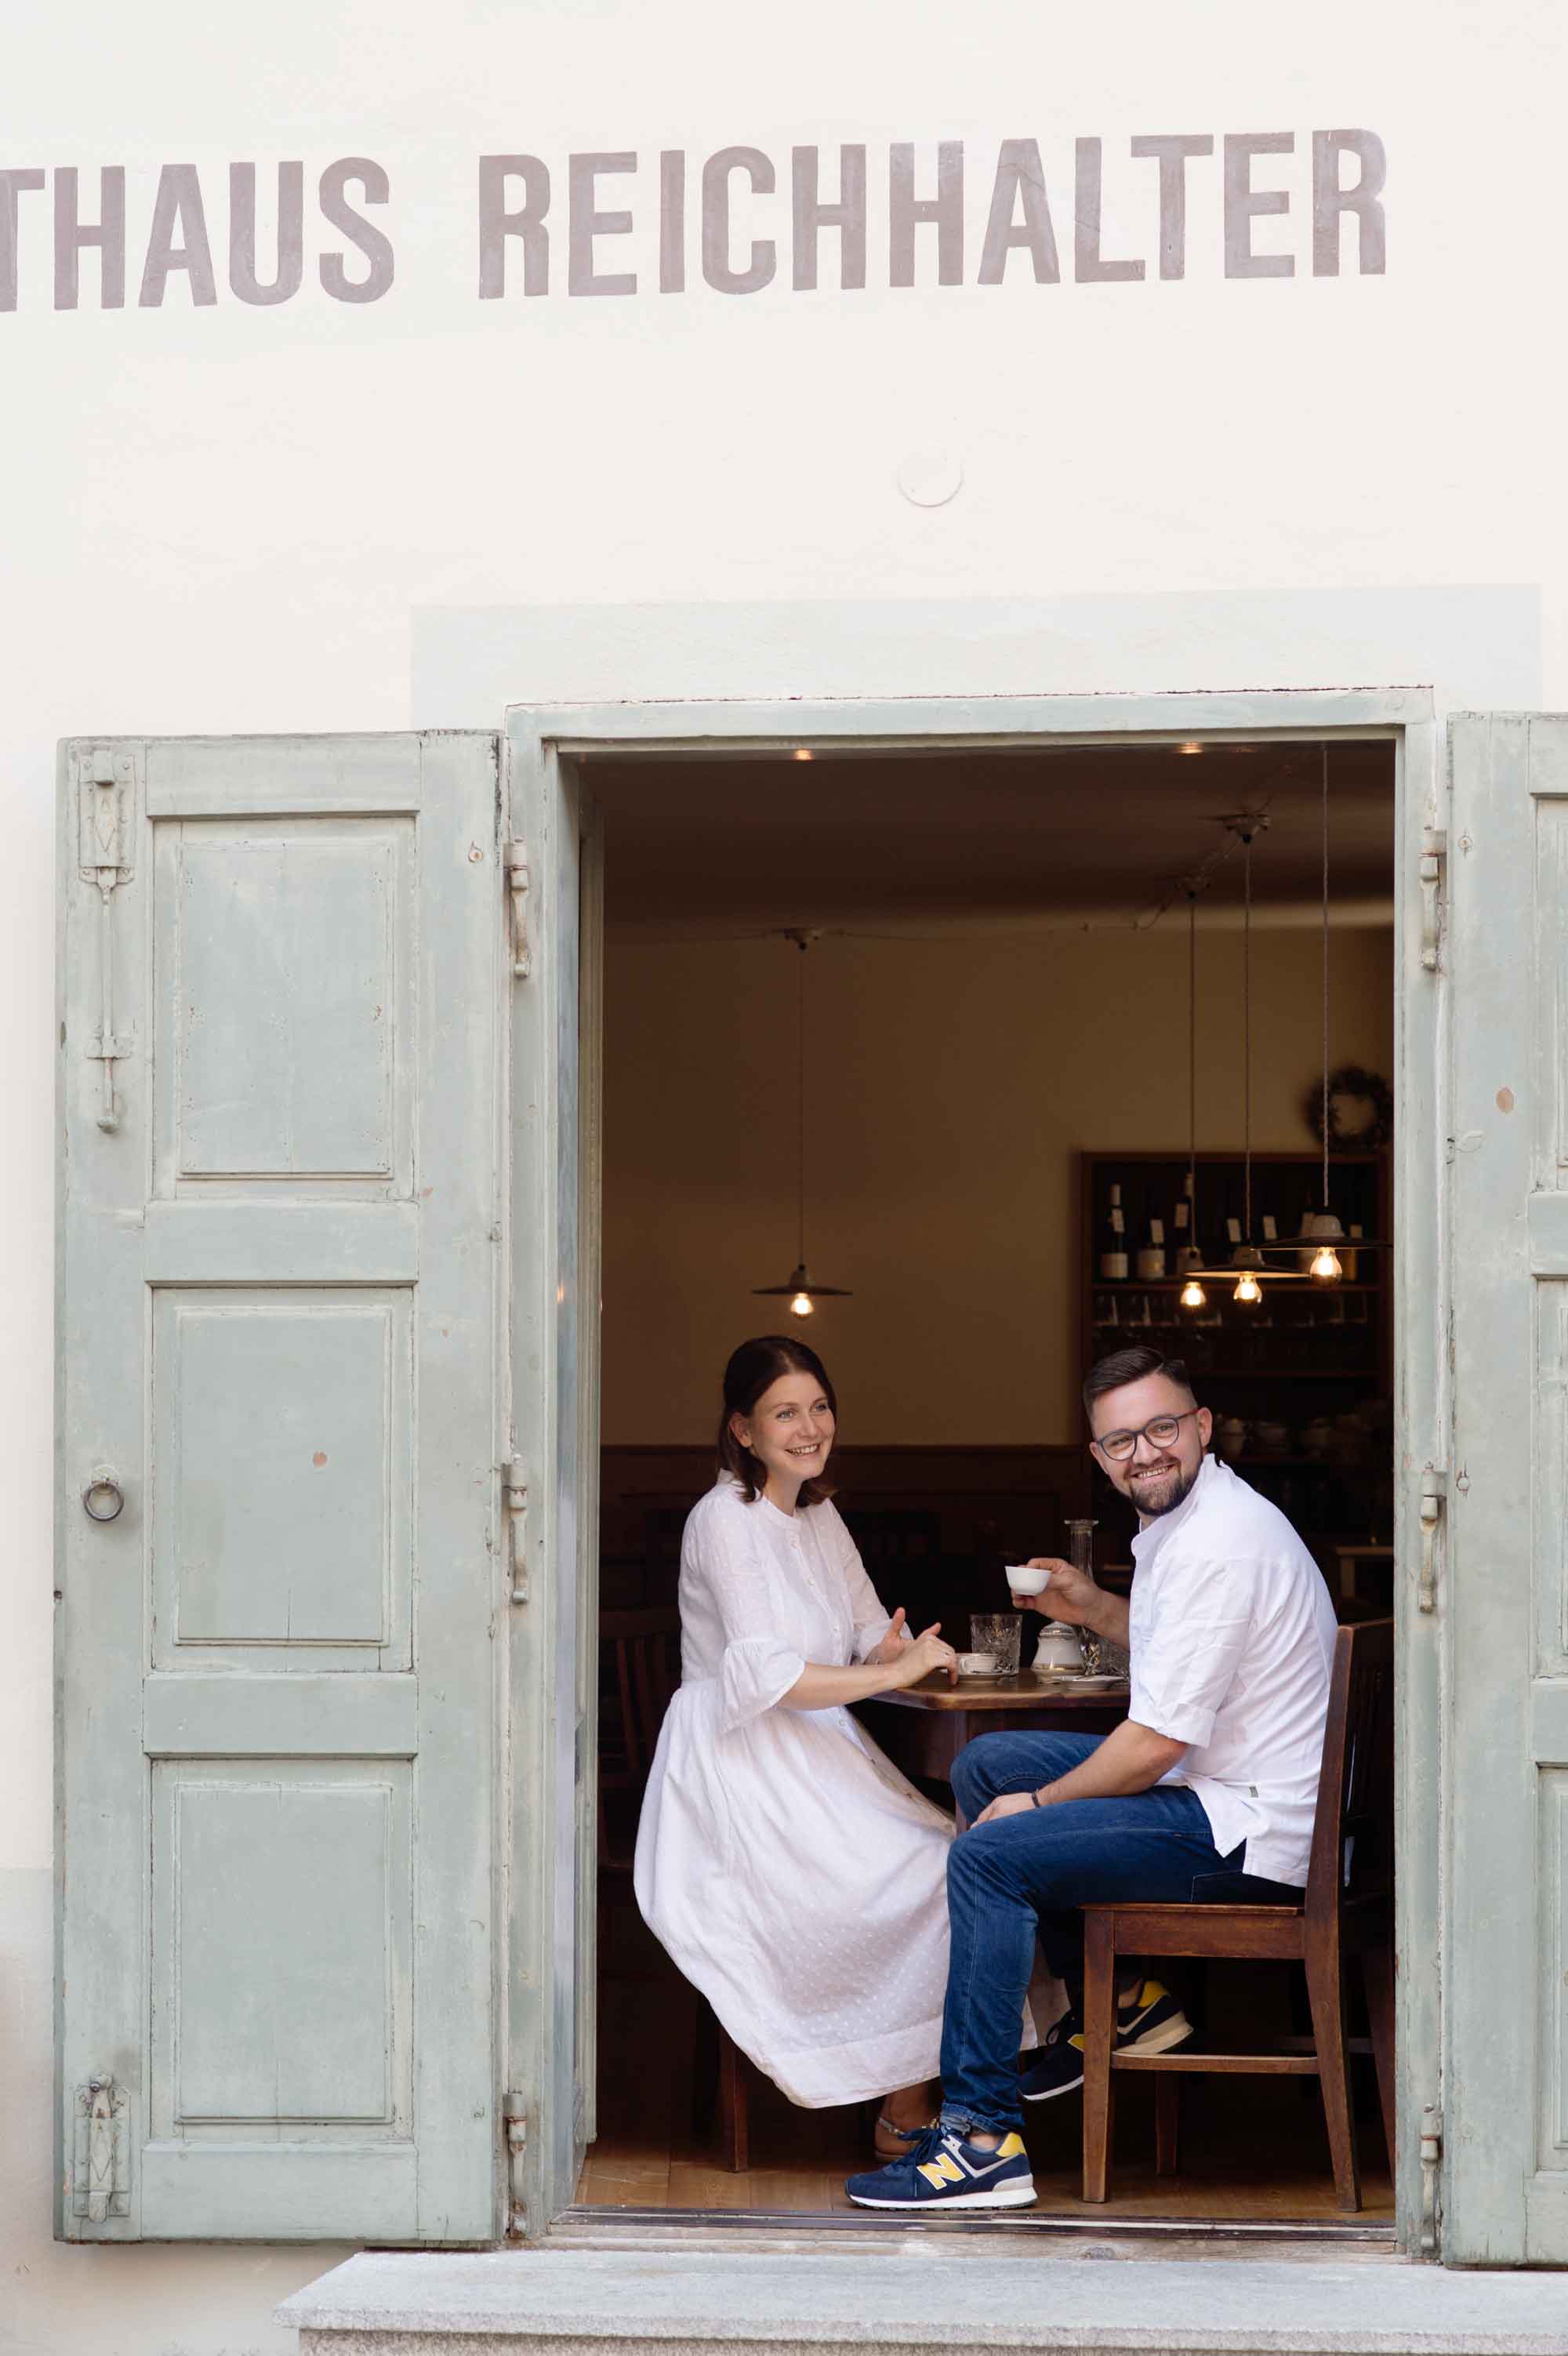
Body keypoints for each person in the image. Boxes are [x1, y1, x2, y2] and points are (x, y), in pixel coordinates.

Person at [845, 1345, 1338, 2210]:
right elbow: (1184, 1658)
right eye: (1120, 1440)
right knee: (986, 1762)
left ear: (1201, 1425)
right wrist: (1092, 1608)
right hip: (1220, 1786)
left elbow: (1151, 1746)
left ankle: (979, 2140)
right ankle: (1121, 2005)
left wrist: (1036, 1806)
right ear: (1098, 1456)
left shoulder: (1221, 1544)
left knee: (988, 1855)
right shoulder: (1195, 1519)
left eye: (1161, 1427)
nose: (1144, 1452)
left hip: (1247, 1832)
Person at [636, 1334, 976, 2153]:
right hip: (738, 1761)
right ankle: (903, 2110)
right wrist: (885, 1670)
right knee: (927, 1872)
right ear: (742, 1429)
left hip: (816, 1751)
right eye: (785, 1412)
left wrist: (893, 1650)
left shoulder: (819, 1516)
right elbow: (767, 1676)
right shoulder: (724, 1519)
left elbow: (866, 1630)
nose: (809, 1426)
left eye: (819, 1407)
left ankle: (933, 2087)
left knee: (962, 1855)